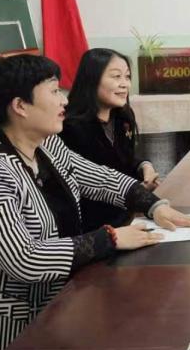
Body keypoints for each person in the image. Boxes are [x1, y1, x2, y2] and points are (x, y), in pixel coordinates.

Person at [0, 55, 190, 350]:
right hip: (3, 330)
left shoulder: (47, 146)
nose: (64, 100)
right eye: (54, 91)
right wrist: (110, 238)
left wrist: (154, 206)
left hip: (61, 305)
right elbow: (25, 259)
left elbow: (101, 179)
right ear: (20, 106)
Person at [61, 49, 158, 232]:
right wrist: (135, 193)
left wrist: (144, 167)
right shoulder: (70, 127)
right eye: (116, 76)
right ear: (92, 79)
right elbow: (87, 180)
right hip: (94, 228)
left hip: (128, 215)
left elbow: (125, 159)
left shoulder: (123, 116)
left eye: (127, 77)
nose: (125, 84)